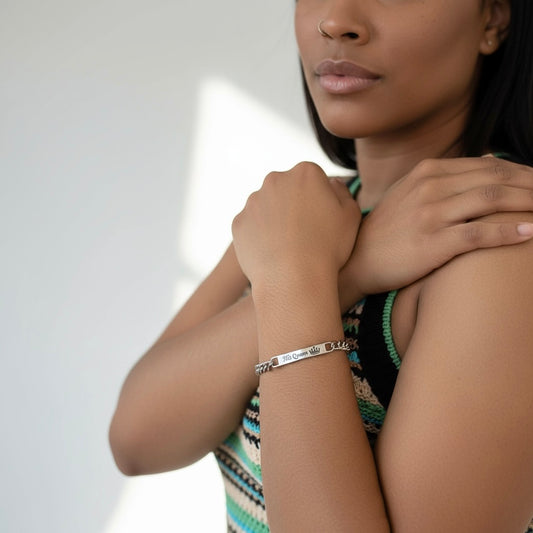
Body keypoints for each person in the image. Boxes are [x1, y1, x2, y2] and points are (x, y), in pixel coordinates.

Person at [109, 0, 533, 531]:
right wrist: (342, 271)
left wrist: (299, 280)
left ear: (493, 19)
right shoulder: (301, 221)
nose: (334, 20)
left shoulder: (495, 241)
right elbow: (136, 440)